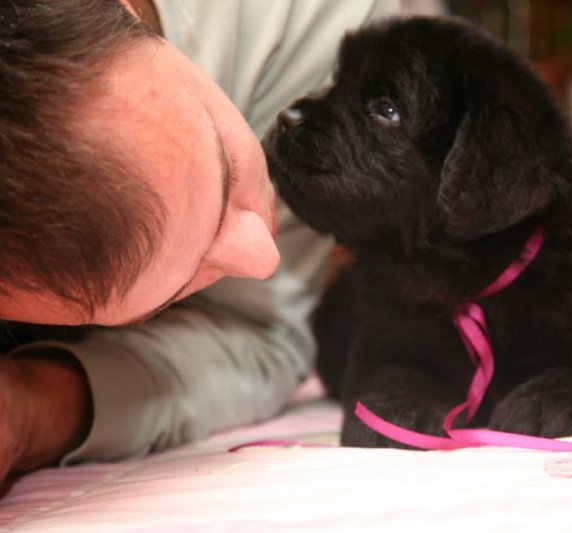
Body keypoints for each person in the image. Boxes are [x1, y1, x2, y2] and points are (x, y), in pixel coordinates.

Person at [0, 0, 401, 485]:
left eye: (227, 163)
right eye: (173, 292)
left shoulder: (320, 21)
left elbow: (260, 335)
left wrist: (37, 405)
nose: (263, 258)